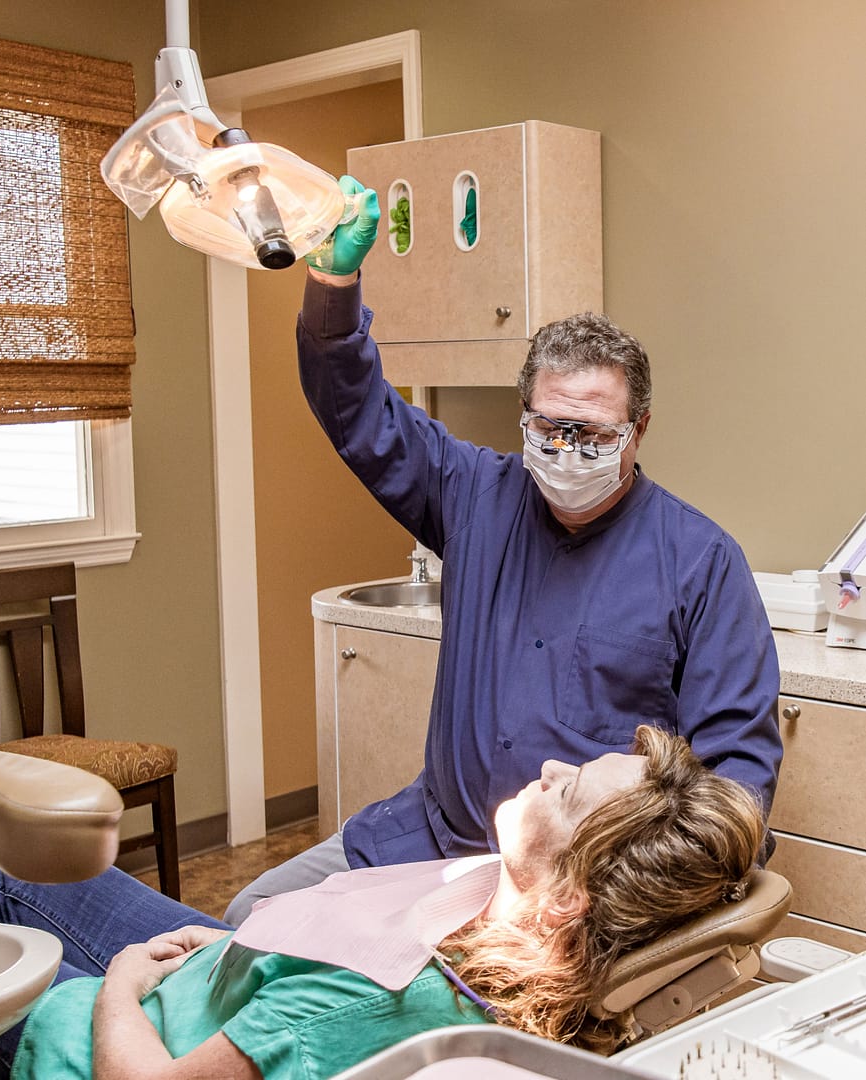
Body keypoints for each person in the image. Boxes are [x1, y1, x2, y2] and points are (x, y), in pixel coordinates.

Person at [223, 176, 782, 926]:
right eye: (550, 428)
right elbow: (358, 413)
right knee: (255, 912)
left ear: (637, 431)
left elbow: (734, 780)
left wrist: (626, 899)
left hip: (575, 885)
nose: (567, 450)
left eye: (592, 434)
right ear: (523, 415)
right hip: (431, 837)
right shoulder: (472, 496)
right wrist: (333, 281)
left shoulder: (700, 563)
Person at [0, 728, 763, 1078]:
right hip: (210, 988)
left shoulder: (370, 999)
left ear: (570, 900)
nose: (549, 769)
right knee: (18, 885)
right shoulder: (511, 922)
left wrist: (118, 983)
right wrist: (229, 959)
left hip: (78, 1043)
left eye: (566, 795)